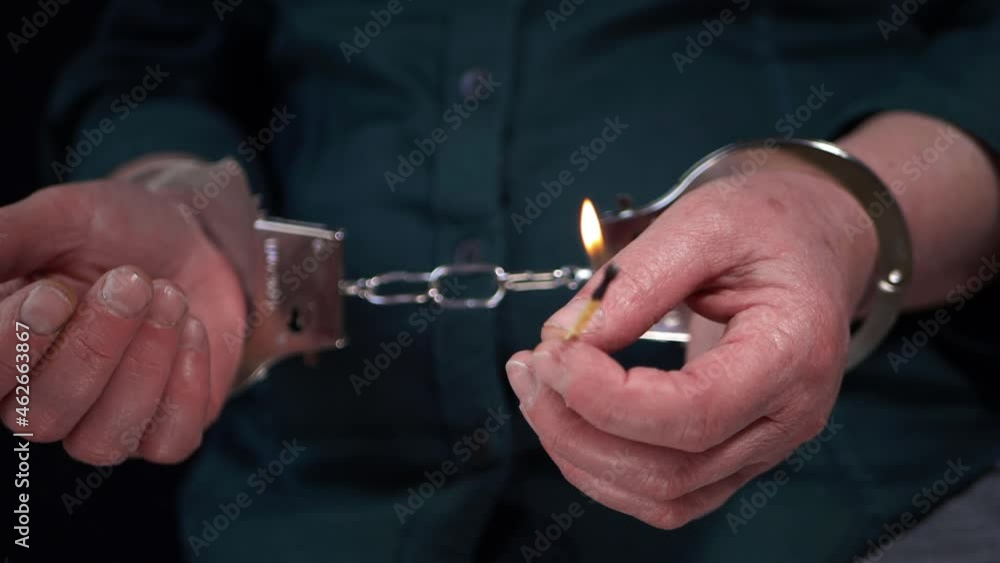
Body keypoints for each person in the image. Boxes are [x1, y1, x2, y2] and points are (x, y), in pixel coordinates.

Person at [3, 0, 999, 560]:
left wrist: (840, 216)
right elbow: (153, 59)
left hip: (855, 509)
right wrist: (183, 203)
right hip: (312, 508)